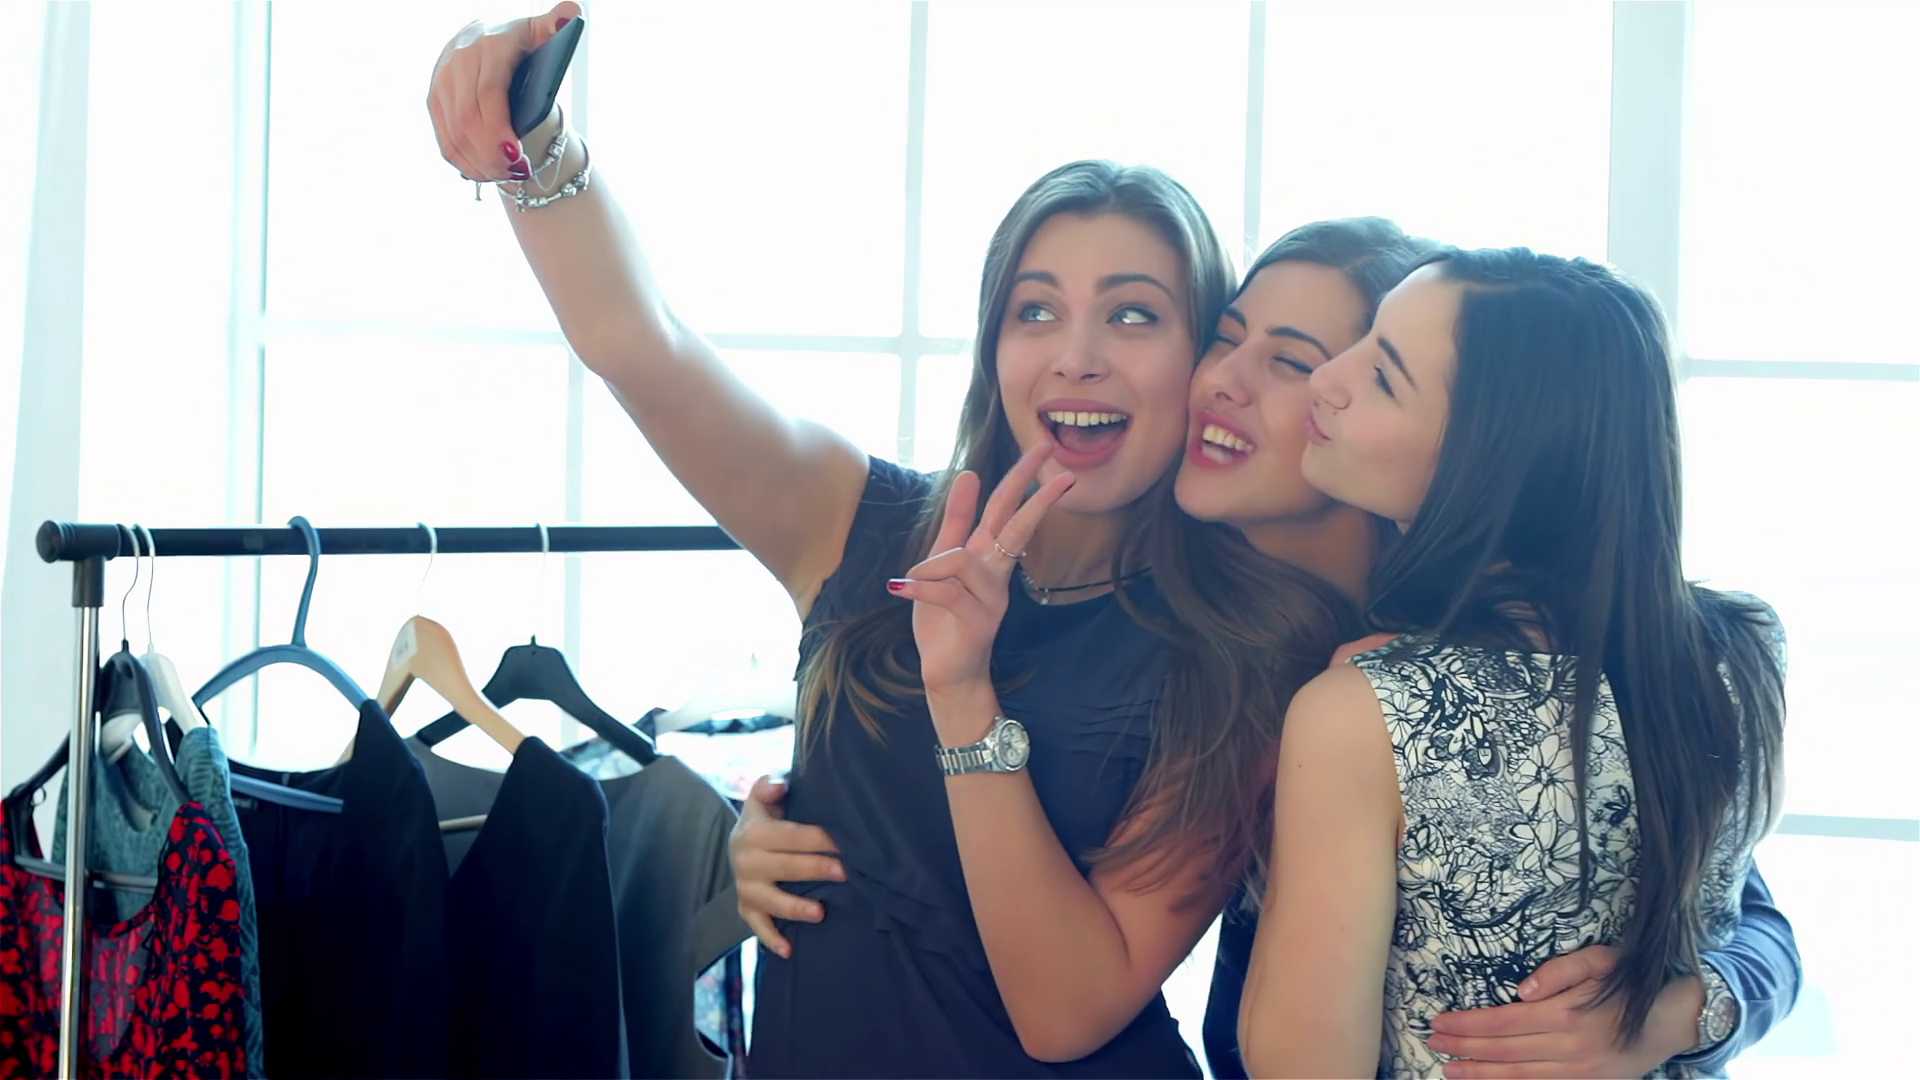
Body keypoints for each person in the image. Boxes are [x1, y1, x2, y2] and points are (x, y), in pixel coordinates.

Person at [428, 8, 1367, 1076]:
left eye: (1133, 315)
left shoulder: (1239, 651)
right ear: (994, 346)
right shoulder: (857, 519)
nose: (1077, 357)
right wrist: (534, 139)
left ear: (1199, 357)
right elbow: (641, 343)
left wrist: (964, 691)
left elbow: (1067, 1010)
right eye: (1036, 311)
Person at [739, 219, 1802, 1077]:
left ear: (1471, 439)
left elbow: (1740, 905)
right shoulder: (1200, 625)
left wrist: (1692, 1007)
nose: (1223, 382)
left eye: (1319, 364)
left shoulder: (1437, 673)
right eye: (1226, 337)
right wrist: (771, 836)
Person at [1233, 248, 1790, 1078]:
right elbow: (1738, 917)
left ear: (1488, 459)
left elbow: (1300, 1068)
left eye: (1382, 377)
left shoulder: (1363, 712)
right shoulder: (1738, 650)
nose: (1326, 378)